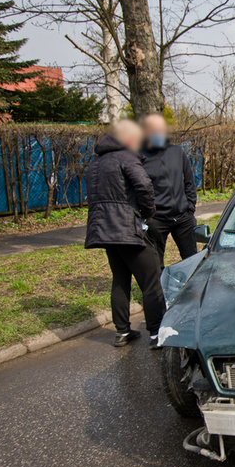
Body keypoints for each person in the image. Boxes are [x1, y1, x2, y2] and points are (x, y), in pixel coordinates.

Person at [85, 120, 166, 348]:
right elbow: (144, 185)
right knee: (152, 281)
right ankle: (156, 334)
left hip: (104, 231)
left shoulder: (95, 164)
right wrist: (148, 213)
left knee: (120, 280)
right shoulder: (127, 158)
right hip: (128, 229)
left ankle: (122, 331)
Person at [141, 114, 198, 269]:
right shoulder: (140, 157)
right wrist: (149, 215)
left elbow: (189, 181)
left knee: (192, 260)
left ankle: (193, 290)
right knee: (155, 263)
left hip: (183, 217)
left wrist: (190, 207)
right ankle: (159, 292)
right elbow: (139, 187)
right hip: (157, 220)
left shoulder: (177, 152)